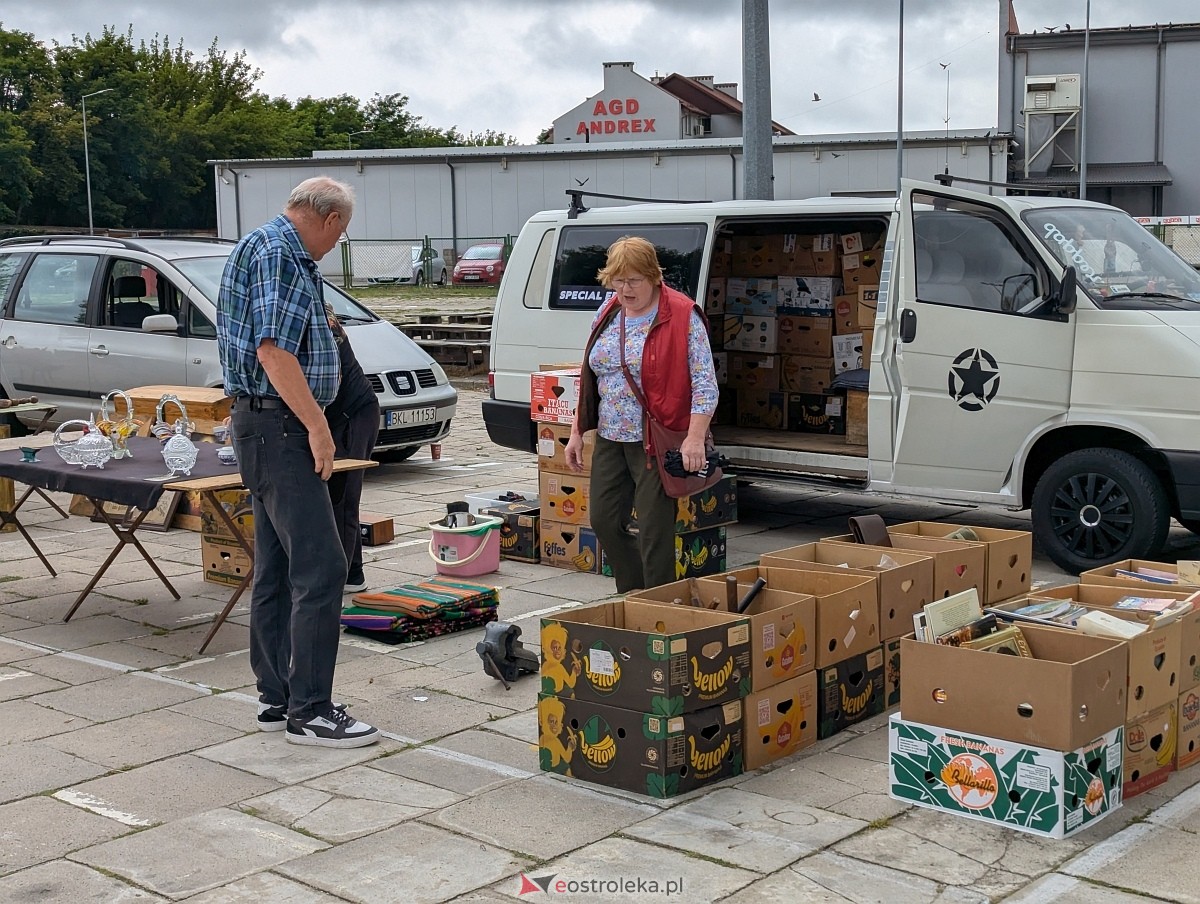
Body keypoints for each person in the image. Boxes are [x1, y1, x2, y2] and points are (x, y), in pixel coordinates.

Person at [217, 176, 379, 748]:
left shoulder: (262, 245)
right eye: (343, 233)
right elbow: (273, 350)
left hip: (261, 424)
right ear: (330, 219)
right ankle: (310, 709)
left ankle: (277, 694)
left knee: (279, 564)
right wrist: (317, 427)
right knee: (322, 567)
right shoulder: (282, 254)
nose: (337, 243)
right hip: (280, 425)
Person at [565, 236, 718, 592]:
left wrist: (694, 438)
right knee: (603, 520)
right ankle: (633, 593)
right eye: (617, 280)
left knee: (654, 531)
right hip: (610, 436)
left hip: (655, 439)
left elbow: (705, 384)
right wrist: (577, 431)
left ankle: (659, 605)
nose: (624, 288)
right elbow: (590, 376)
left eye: (633, 280)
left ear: (653, 276)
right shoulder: (608, 310)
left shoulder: (681, 314)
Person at [323, 303, 380, 594]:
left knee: (343, 497)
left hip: (353, 414)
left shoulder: (322, 322)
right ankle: (347, 571)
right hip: (334, 415)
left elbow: (330, 381)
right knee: (334, 496)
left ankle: (349, 574)